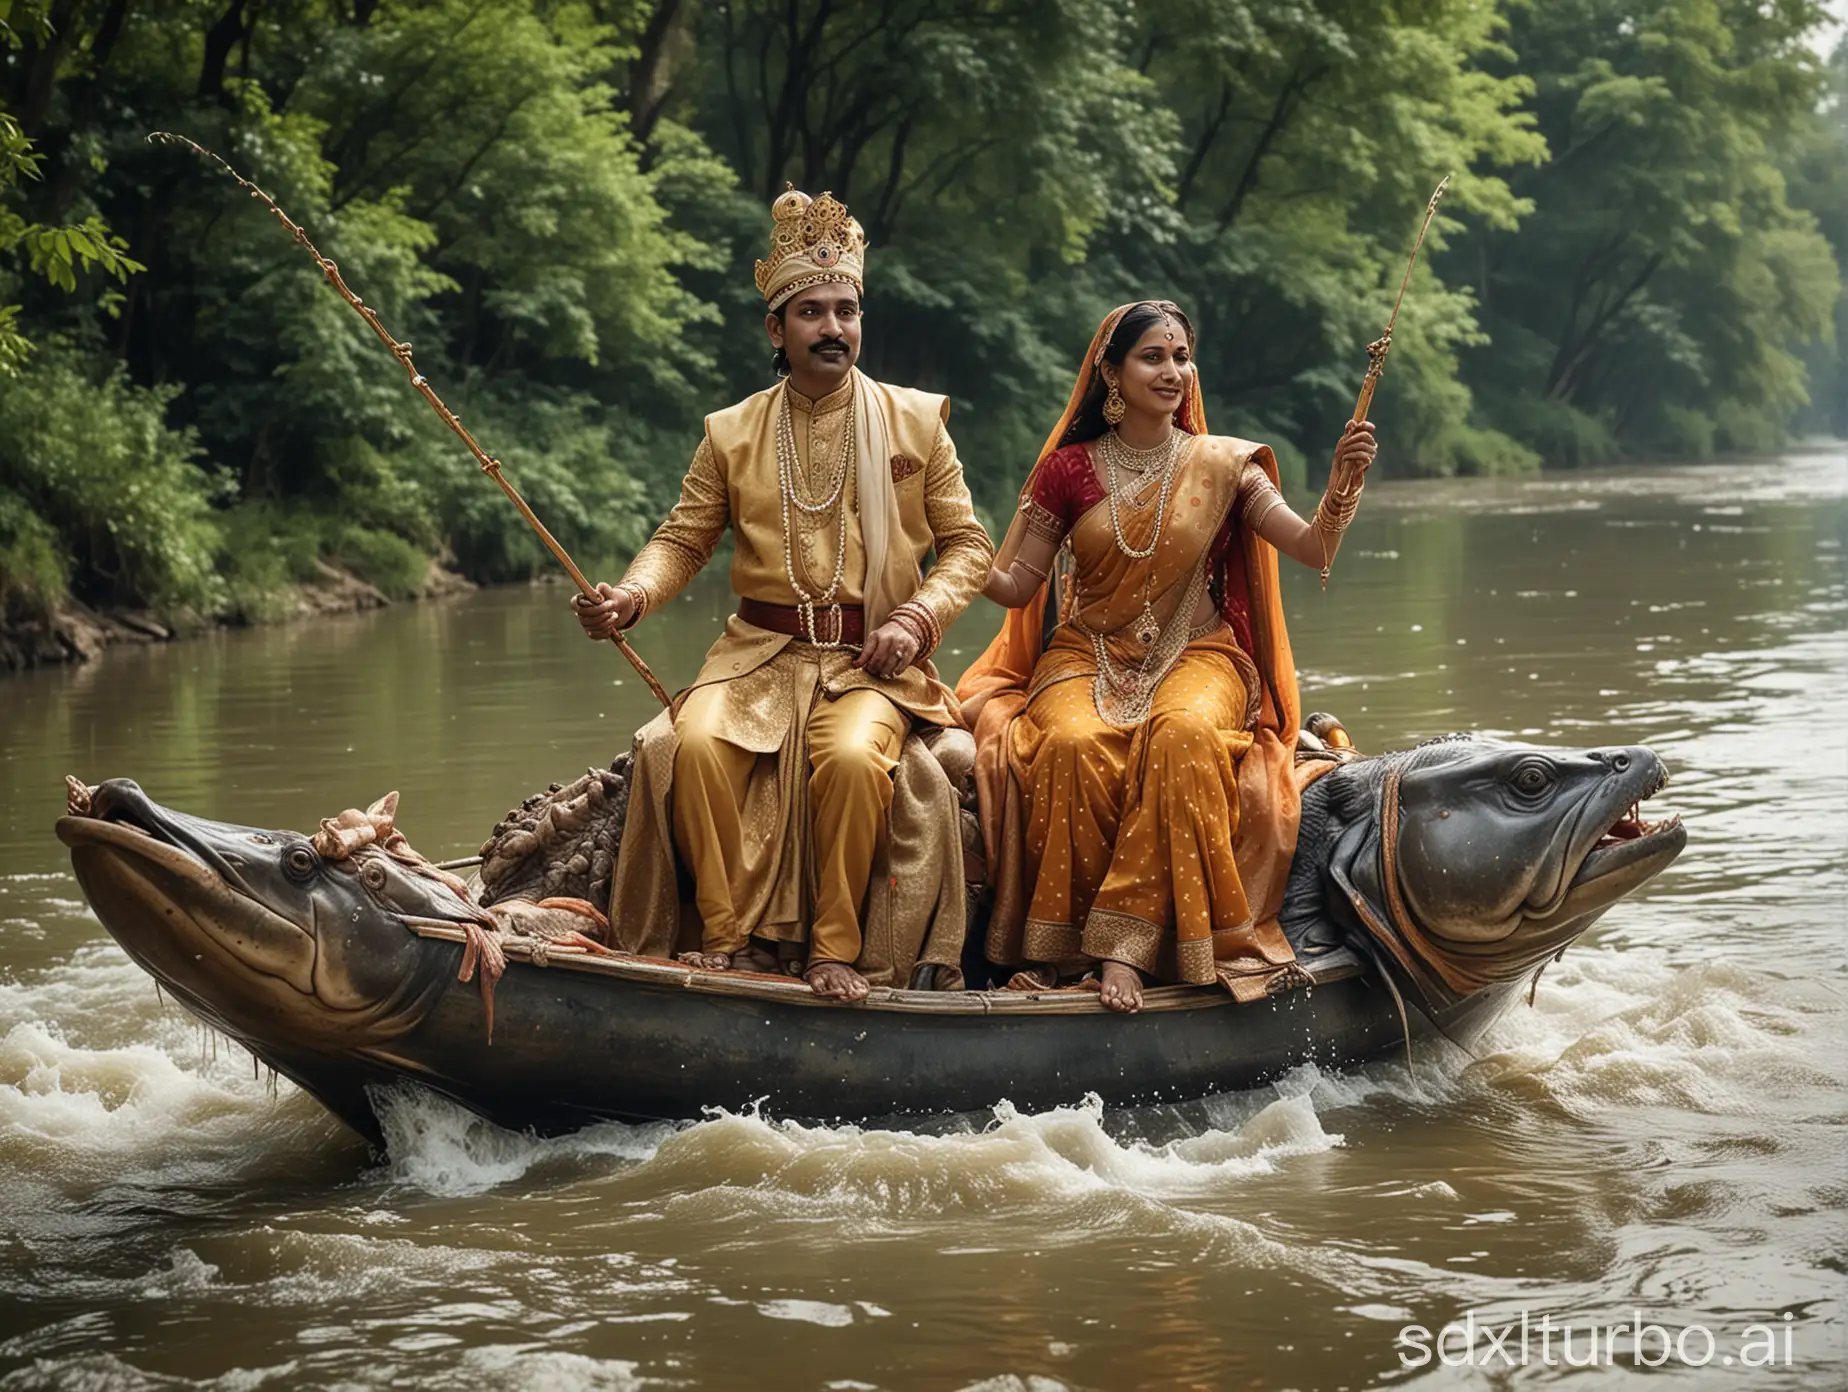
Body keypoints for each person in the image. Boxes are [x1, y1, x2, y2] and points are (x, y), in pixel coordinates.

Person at [574, 187, 993, 1002]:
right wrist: (630, 595)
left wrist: (916, 617)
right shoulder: (730, 432)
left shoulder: (916, 422)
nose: (834, 328)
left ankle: (837, 948)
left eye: (846, 310)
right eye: (813, 312)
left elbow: (970, 546)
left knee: (846, 757)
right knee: (682, 745)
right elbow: (684, 539)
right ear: (778, 328)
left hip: (871, 659)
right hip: (758, 655)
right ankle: (725, 941)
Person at [956, 300, 1377, 1013]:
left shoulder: (1226, 466)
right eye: (1153, 356)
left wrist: (1342, 485)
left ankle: (1127, 944)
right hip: (1085, 654)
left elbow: (1312, 547)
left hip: (1199, 653)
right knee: (1066, 742)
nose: (1174, 371)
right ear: (1112, 373)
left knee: (1182, 735)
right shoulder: (1066, 472)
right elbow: (1013, 585)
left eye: (1181, 356)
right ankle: (1062, 951)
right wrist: (950, 530)